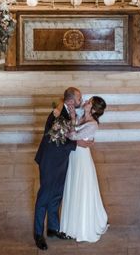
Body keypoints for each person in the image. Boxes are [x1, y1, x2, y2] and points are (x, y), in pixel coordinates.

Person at [33, 87, 92, 251]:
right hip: (50, 162)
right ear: (72, 101)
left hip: (61, 161)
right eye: (79, 98)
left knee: (57, 194)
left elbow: (69, 132)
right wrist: (79, 143)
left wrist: (73, 120)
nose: (81, 101)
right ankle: (38, 234)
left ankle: (52, 228)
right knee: (44, 197)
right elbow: (57, 140)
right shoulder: (56, 115)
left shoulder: (68, 111)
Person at [58, 96, 109, 242]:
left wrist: (72, 130)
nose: (85, 102)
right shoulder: (81, 116)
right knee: (73, 186)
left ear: (92, 109)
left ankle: (82, 226)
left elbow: (72, 136)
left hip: (82, 160)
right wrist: (73, 122)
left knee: (80, 188)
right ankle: (70, 223)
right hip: (74, 156)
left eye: (89, 102)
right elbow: (73, 136)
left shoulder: (93, 125)